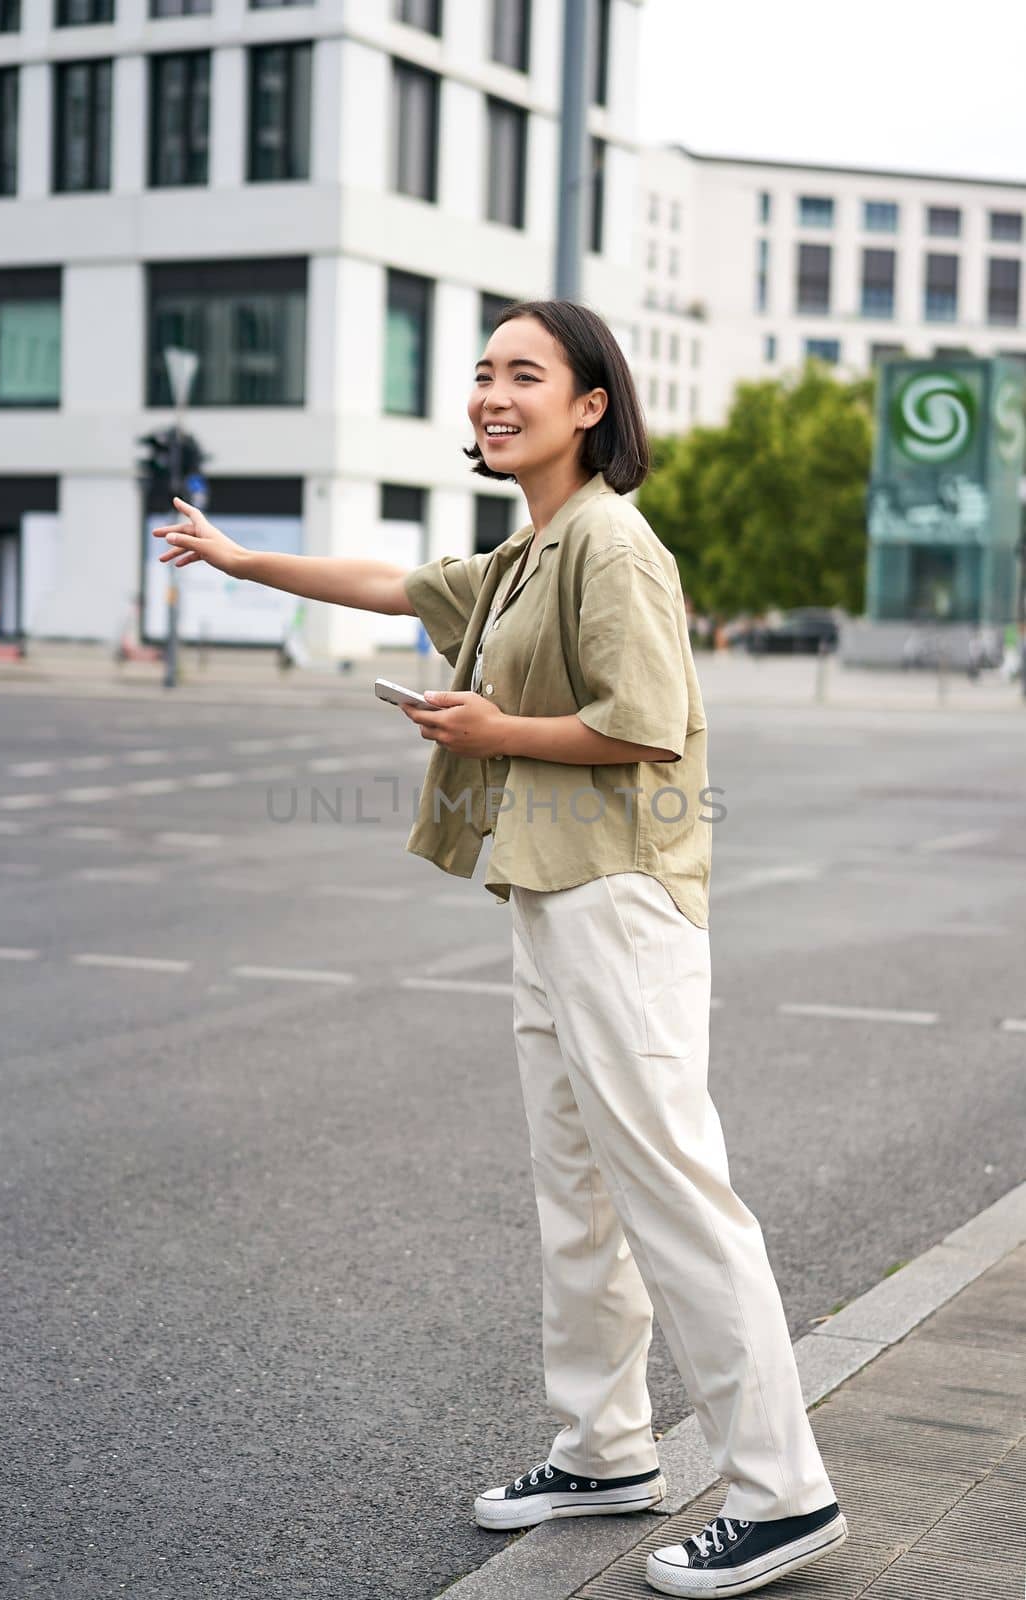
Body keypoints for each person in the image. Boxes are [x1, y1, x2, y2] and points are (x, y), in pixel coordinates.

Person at [153, 298, 846, 1598]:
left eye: (521, 372)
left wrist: (491, 732)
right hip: (547, 894)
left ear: (589, 407)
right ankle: (604, 1449)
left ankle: (782, 1491)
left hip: (620, 899)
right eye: (481, 373)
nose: (489, 390)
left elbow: (642, 723)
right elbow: (394, 586)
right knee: (578, 1200)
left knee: (673, 1196)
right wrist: (242, 563)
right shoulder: (528, 551)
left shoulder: (609, 545)